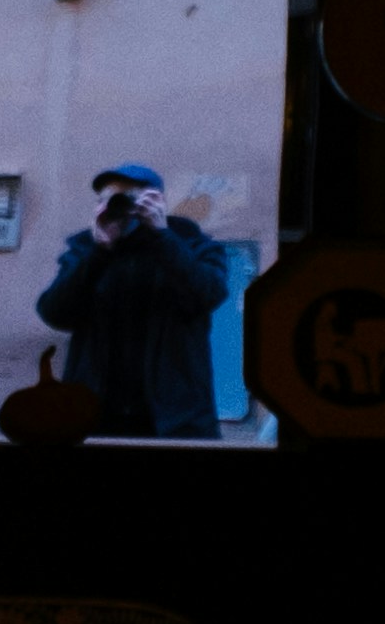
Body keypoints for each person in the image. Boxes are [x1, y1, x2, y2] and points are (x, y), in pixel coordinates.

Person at [27, 163, 237, 438]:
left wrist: (162, 236)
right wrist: (99, 253)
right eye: (106, 200)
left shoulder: (191, 243)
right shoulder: (84, 249)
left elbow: (207, 294)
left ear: (157, 201)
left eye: (127, 198)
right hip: (96, 417)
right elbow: (54, 312)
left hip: (175, 419)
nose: (116, 206)